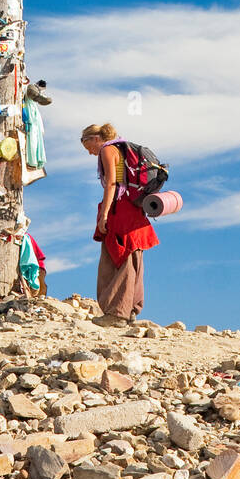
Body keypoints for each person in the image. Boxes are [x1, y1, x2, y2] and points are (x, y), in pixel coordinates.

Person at [81, 122, 159, 327]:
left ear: (95, 139)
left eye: (87, 145)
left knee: (116, 256)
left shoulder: (108, 150)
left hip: (120, 210)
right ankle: (131, 309)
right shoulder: (122, 149)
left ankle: (116, 313)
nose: (89, 152)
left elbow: (112, 185)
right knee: (133, 257)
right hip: (135, 210)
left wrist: (104, 215)